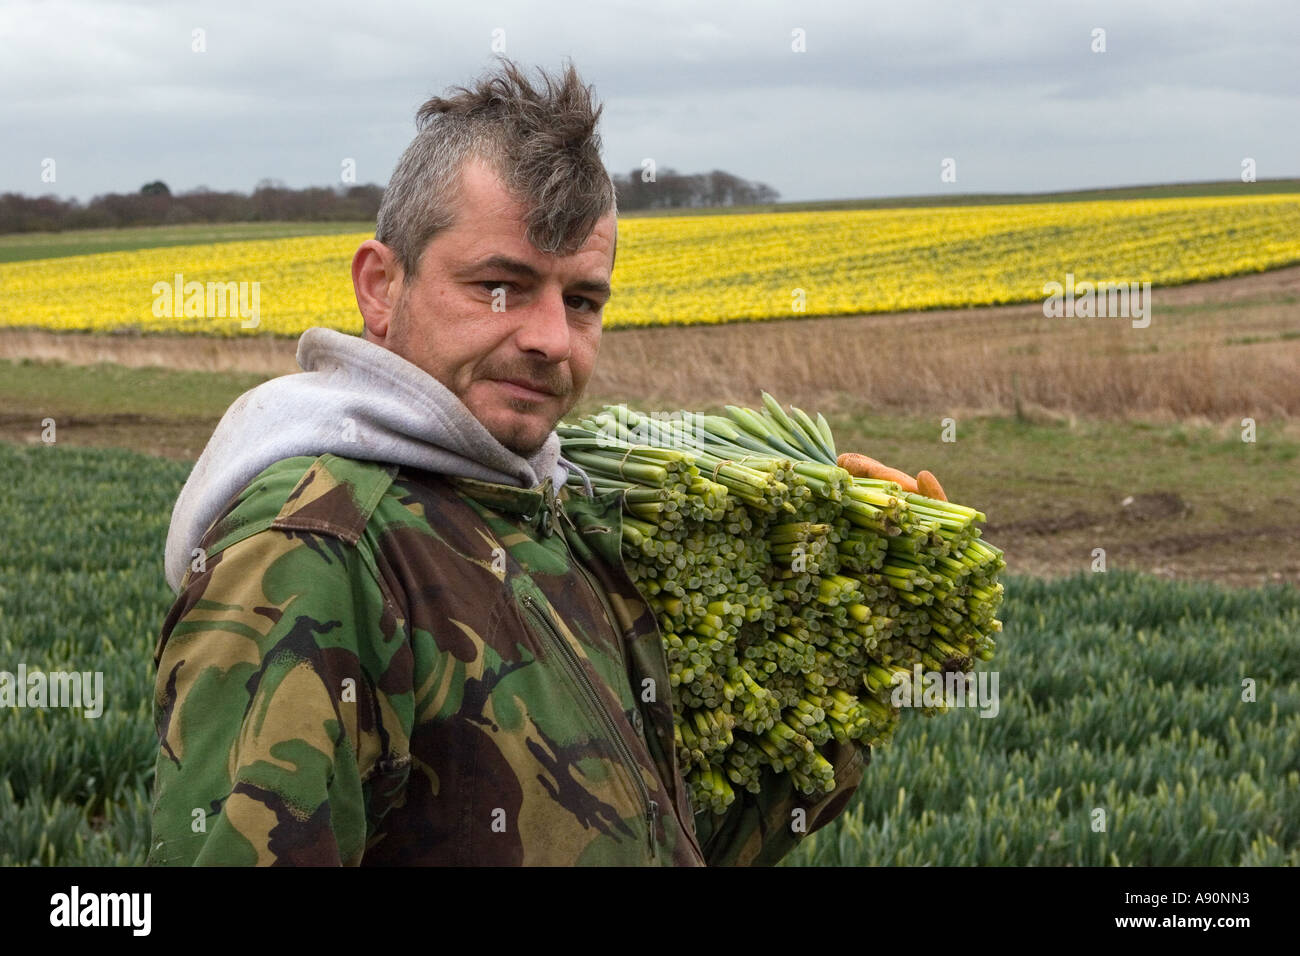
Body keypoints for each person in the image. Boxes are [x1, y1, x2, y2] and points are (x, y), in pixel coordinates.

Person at [148, 57, 904, 866]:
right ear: (379, 287)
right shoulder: (317, 553)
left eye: (581, 300)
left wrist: (866, 635)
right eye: (502, 287)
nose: (549, 337)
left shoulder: (548, 513)